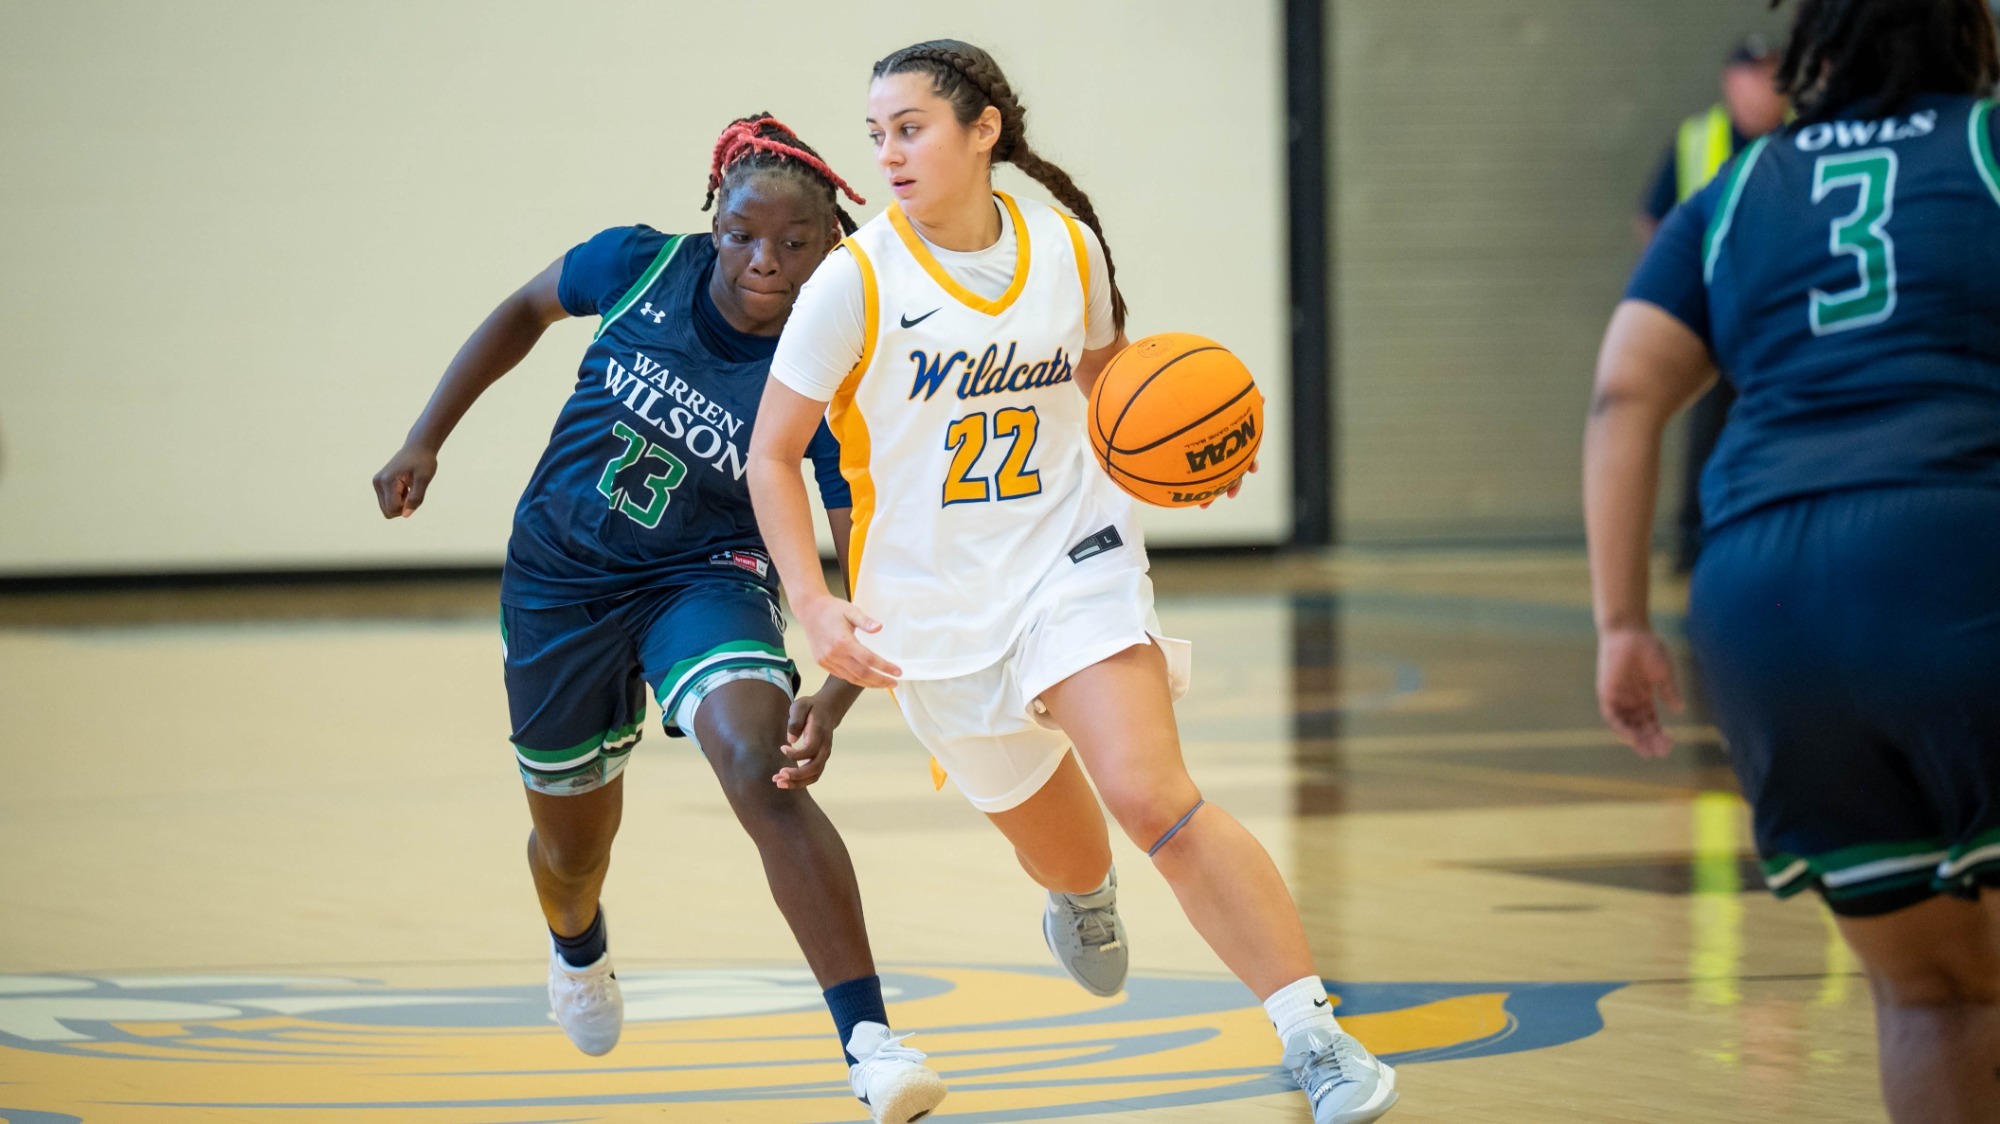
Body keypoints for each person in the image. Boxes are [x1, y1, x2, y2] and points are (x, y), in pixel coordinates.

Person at [745, 40, 1397, 1124]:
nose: (888, 154)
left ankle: (1312, 1031)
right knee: (1070, 845)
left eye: (909, 128)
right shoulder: (853, 283)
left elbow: (1117, 395)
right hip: (934, 613)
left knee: (1155, 798)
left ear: (981, 128)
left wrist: (1194, 457)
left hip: (1071, 562)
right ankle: (1077, 893)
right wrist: (812, 601)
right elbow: (772, 454)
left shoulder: (1067, 250)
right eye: (876, 135)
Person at [370, 114, 946, 1124]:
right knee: (570, 851)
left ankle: (871, 1042)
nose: (764, 261)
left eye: (795, 244)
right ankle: (576, 945)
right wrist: (426, 438)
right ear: (710, 224)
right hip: (561, 578)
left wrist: (837, 690)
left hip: (704, 575)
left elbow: (863, 550)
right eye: (741, 236)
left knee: (756, 764)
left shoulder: (832, 357)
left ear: (834, 243)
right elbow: (520, 309)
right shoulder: (635, 266)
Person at [1585, 0, 2000, 1118]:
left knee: (1932, 995)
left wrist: (1621, 622)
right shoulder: (1983, 143)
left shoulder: (1735, 188)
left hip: (1763, 600)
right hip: (1955, 547)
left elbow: (1625, 392)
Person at [1637, 34, 1789, 572]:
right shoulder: (1697, 139)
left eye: (1773, 74)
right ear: (1730, 80)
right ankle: (1691, 543)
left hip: (1779, 315)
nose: (1762, 87)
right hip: (1714, 312)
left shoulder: (1803, 138)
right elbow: (1654, 219)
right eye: (1752, 74)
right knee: (1704, 426)